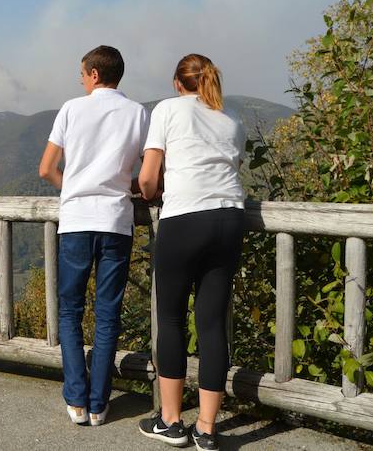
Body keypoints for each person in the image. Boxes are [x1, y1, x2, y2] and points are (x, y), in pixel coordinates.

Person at [137, 54, 246, 450]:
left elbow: (149, 177)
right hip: (230, 218)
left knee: (171, 319)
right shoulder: (232, 118)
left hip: (185, 219)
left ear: (177, 83)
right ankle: (206, 428)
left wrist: (148, 192)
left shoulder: (167, 110)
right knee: (212, 323)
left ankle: (170, 421)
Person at [39, 45, 148, 427]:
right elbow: (150, 172)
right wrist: (122, 184)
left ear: (95, 74)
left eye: (82, 74)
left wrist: (75, 186)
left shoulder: (71, 109)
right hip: (117, 220)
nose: (81, 80)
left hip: (76, 221)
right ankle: (100, 404)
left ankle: (76, 400)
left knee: (70, 312)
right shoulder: (138, 113)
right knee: (107, 315)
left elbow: (46, 169)